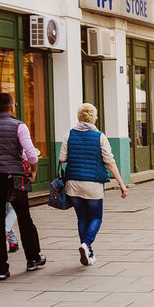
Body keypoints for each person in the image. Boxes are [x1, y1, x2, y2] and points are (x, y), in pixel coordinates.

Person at [0, 93, 44, 281]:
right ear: (12, 107)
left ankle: (1, 269)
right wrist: (33, 171)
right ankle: (33, 259)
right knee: (24, 218)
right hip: (15, 178)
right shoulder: (19, 126)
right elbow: (31, 154)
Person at [59, 102, 128, 265]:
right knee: (96, 217)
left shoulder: (69, 134)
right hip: (93, 184)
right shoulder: (100, 137)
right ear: (93, 119)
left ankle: (88, 252)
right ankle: (87, 244)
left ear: (78, 117)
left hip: (73, 183)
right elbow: (110, 162)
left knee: (82, 218)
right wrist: (121, 184)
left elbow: (62, 159)